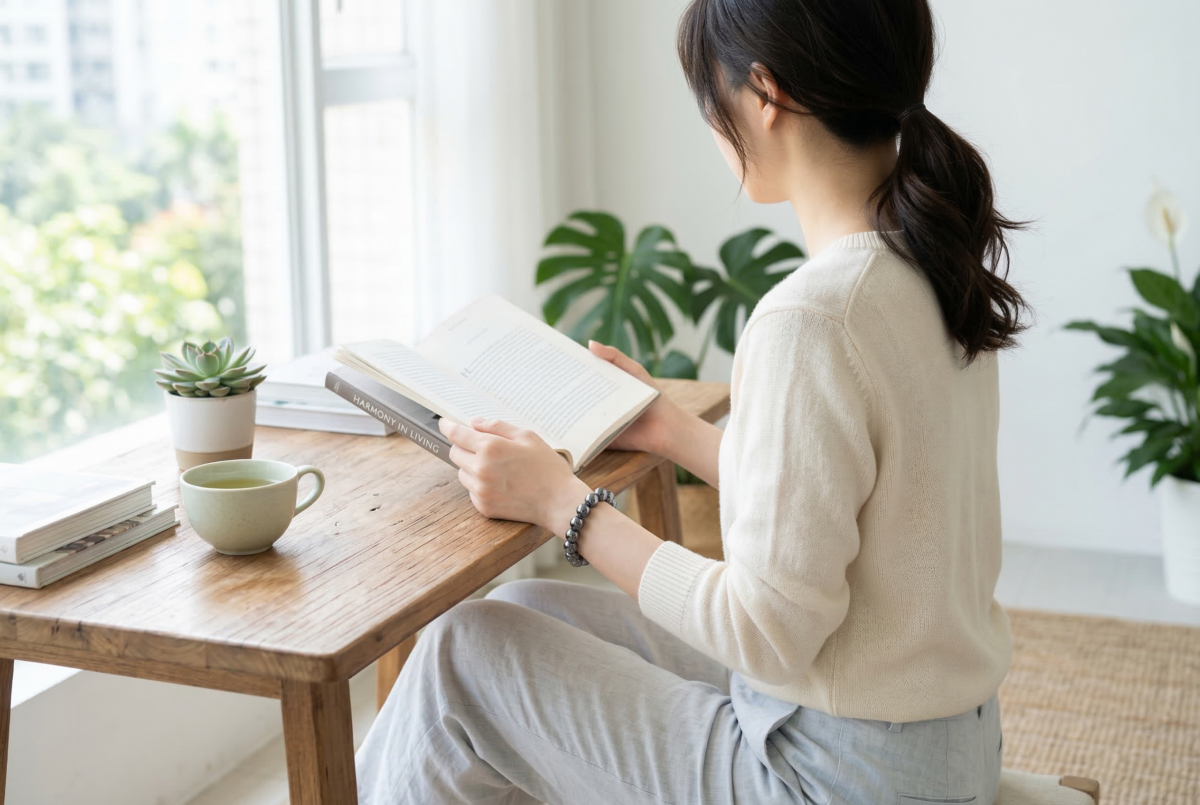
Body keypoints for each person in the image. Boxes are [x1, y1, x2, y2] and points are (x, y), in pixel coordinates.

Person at [356, 0, 1029, 801]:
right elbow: (851, 507)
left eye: (709, 98)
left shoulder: (813, 317)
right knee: (524, 607)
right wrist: (669, 427)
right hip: (937, 741)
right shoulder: (926, 262)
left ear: (765, 96)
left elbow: (764, 630)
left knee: (461, 655)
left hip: (832, 773)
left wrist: (563, 504)